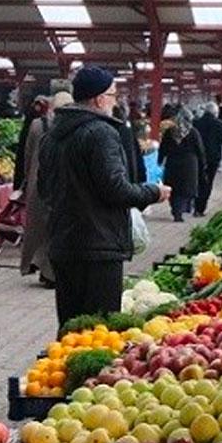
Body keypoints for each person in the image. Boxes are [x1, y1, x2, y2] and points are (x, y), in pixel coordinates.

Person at [38, 66, 169, 327]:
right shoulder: (102, 133)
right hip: (98, 246)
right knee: (100, 328)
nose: (115, 100)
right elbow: (115, 189)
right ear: (99, 99)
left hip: (63, 243)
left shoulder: (53, 134)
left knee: (71, 326)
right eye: (112, 94)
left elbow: (43, 189)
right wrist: (153, 192)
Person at [16, 92, 71, 285]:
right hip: (62, 183)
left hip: (37, 182)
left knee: (39, 227)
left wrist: (25, 181)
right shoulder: (73, 127)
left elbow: (27, 155)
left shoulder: (37, 125)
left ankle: (40, 266)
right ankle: (50, 272)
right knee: (56, 228)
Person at [158, 108, 204, 222]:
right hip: (189, 165)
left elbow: (163, 148)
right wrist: (203, 164)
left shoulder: (170, 131)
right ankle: (180, 211)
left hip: (172, 163)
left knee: (173, 188)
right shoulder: (193, 132)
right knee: (185, 190)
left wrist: (160, 160)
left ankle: (176, 210)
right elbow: (200, 150)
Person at [192, 102, 222, 215]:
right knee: (208, 182)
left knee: (198, 180)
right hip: (213, 157)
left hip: (197, 156)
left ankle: (195, 203)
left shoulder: (196, 123)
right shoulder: (220, 124)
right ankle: (201, 207)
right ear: (215, 113)